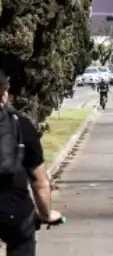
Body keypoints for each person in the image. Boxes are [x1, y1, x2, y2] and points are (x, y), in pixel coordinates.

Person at [0, 71, 62, 255]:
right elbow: (40, 181)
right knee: (22, 238)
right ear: (4, 93)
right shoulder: (21, 125)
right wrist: (47, 214)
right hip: (14, 211)